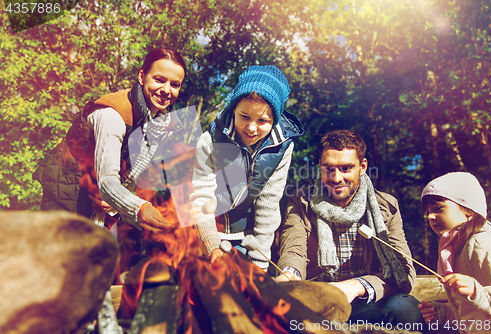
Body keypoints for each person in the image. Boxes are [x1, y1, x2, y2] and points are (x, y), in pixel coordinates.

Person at [33, 47, 186, 240]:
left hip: (102, 210)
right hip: (68, 198)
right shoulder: (112, 115)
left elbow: (134, 174)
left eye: (175, 84)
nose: (166, 90)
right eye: (159, 80)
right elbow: (107, 181)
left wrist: (116, 201)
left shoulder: (161, 124)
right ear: (141, 77)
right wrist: (140, 207)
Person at [276, 129, 424, 327]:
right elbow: (294, 250)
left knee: (406, 310)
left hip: (366, 302)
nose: (337, 178)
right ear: (320, 166)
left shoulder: (386, 207)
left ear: (362, 167)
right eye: (329, 169)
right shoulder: (301, 201)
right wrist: (289, 274)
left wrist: (357, 286)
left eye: (346, 168)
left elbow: (404, 272)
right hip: (315, 302)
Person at [190, 65, 303, 271]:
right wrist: (212, 246)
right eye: (244, 117)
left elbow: (268, 205)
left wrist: (259, 262)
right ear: (234, 109)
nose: (251, 128)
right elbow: (201, 199)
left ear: (275, 120)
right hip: (206, 235)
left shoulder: (283, 147)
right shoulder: (209, 142)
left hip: (247, 241)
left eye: (262, 121)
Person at [418, 172, 491, 334]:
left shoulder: (484, 244)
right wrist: (446, 312)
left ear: (469, 211)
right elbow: (475, 314)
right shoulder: (455, 250)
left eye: (438, 209)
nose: (430, 217)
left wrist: (481, 295)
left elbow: (487, 303)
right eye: (428, 212)